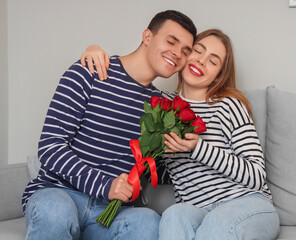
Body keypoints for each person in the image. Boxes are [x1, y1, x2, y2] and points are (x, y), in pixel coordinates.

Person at [82, 29, 280, 239]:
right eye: (197, 51)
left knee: (218, 223)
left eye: (213, 62)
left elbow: (256, 176)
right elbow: (129, 84)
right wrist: (96, 52)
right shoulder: (161, 106)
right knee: (173, 215)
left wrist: (198, 148)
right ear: (185, 55)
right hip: (198, 210)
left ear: (219, 75)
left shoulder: (229, 105)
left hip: (247, 204)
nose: (202, 61)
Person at [22, 10, 196, 240]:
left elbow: (157, 171)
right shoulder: (90, 71)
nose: (177, 54)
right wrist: (105, 185)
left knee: (149, 222)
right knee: (56, 212)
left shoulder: (161, 108)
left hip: (111, 213)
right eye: (171, 41)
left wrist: (187, 147)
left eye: (186, 51)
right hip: (59, 193)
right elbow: (50, 146)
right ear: (147, 37)